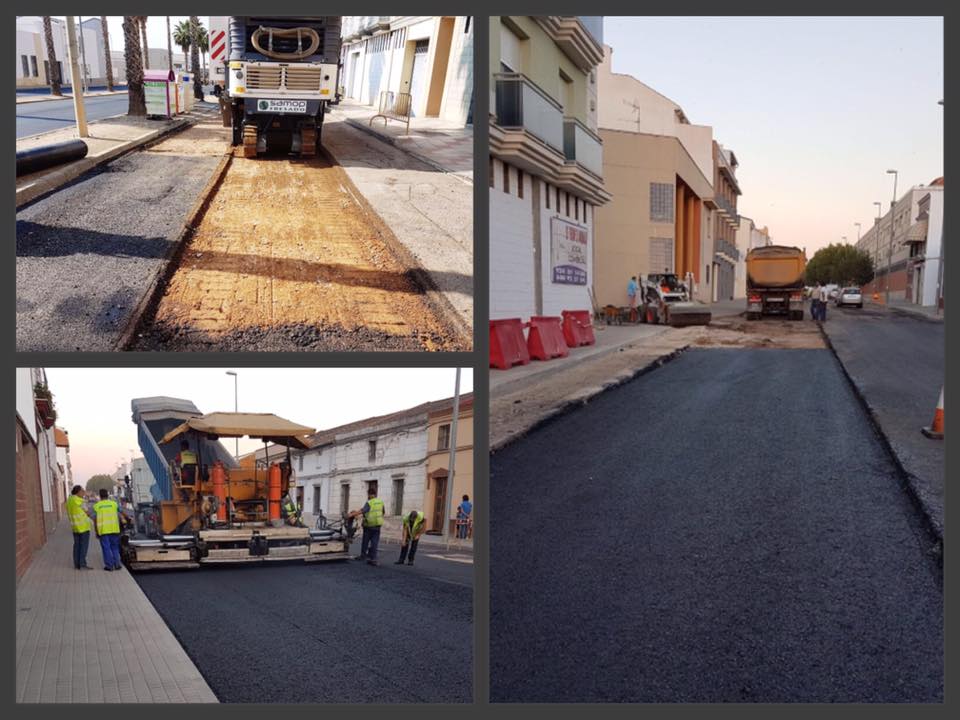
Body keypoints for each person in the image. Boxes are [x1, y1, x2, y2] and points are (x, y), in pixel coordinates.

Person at [350, 487, 384, 566]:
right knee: (374, 542)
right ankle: (373, 559)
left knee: (365, 541)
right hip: (377, 525)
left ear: (370, 494)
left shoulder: (369, 502)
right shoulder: (381, 502)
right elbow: (383, 512)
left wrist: (351, 514)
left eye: (368, 495)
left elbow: (363, 511)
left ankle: (363, 556)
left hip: (369, 525)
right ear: (375, 494)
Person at [93, 488, 122, 571]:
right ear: (107, 495)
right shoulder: (114, 504)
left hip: (103, 530)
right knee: (115, 547)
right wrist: (127, 518)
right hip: (114, 529)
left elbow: (94, 519)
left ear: (100, 496)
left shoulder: (97, 506)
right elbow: (121, 512)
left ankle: (109, 566)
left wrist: (96, 531)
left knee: (106, 548)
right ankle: (117, 564)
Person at [67, 485, 93, 570]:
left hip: (75, 527)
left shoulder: (69, 500)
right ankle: (82, 565)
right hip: (83, 527)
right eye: (82, 491)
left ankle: (76, 564)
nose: (84, 493)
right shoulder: (80, 501)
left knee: (76, 546)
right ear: (77, 492)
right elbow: (87, 513)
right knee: (83, 546)